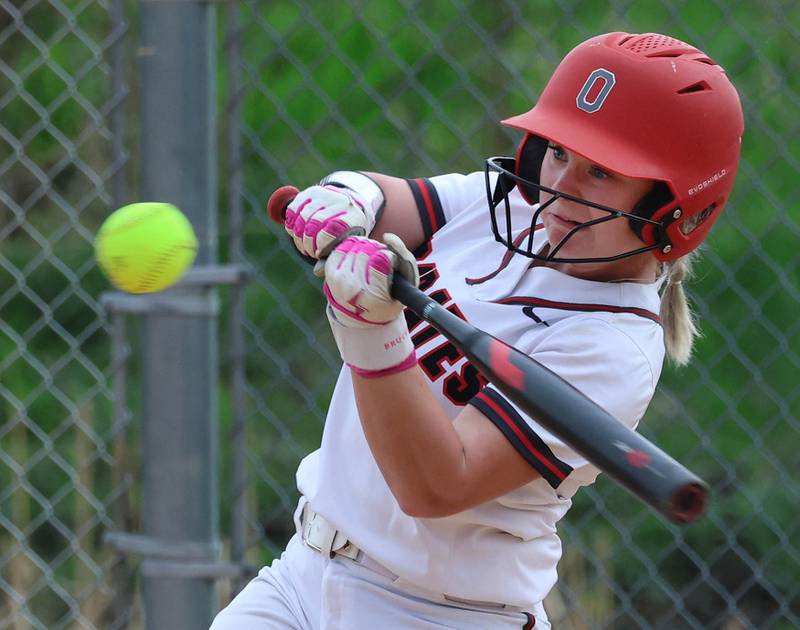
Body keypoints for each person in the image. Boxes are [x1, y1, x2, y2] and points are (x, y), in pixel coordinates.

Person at [211, 31, 743, 629]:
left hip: (439, 614)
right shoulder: (512, 206)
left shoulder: (612, 348)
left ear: (674, 210)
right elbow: (395, 201)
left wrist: (368, 330)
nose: (562, 188)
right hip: (300, 572)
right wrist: (349, 195)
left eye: (601, 172)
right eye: (560, 153)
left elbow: (436, 485)